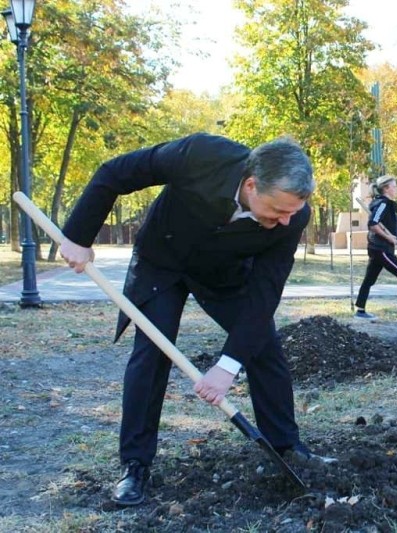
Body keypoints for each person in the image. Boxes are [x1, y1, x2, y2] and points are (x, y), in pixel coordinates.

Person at [59, 133, 334, 507]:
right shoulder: (200, 155)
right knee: (152, 353)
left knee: (264, 347)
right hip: (163, 261)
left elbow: (264, 294)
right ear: (251, 185)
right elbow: (115, 174)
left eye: (292, 212)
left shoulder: (294, 216)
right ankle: (135, 465)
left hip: (224, 274)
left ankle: (286, 447)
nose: (287, 221)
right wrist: (77, 236)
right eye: (278, 210)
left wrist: (227, 365)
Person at [355, 174, 397, 321]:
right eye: (394, 186)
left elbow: (394, 227)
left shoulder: (389, 205)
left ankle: (360, 311)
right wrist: (388, 238)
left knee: (369, 280)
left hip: (379, 247)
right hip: (380, 248)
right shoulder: (383, 204)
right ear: (386, 189)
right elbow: (373, 224)